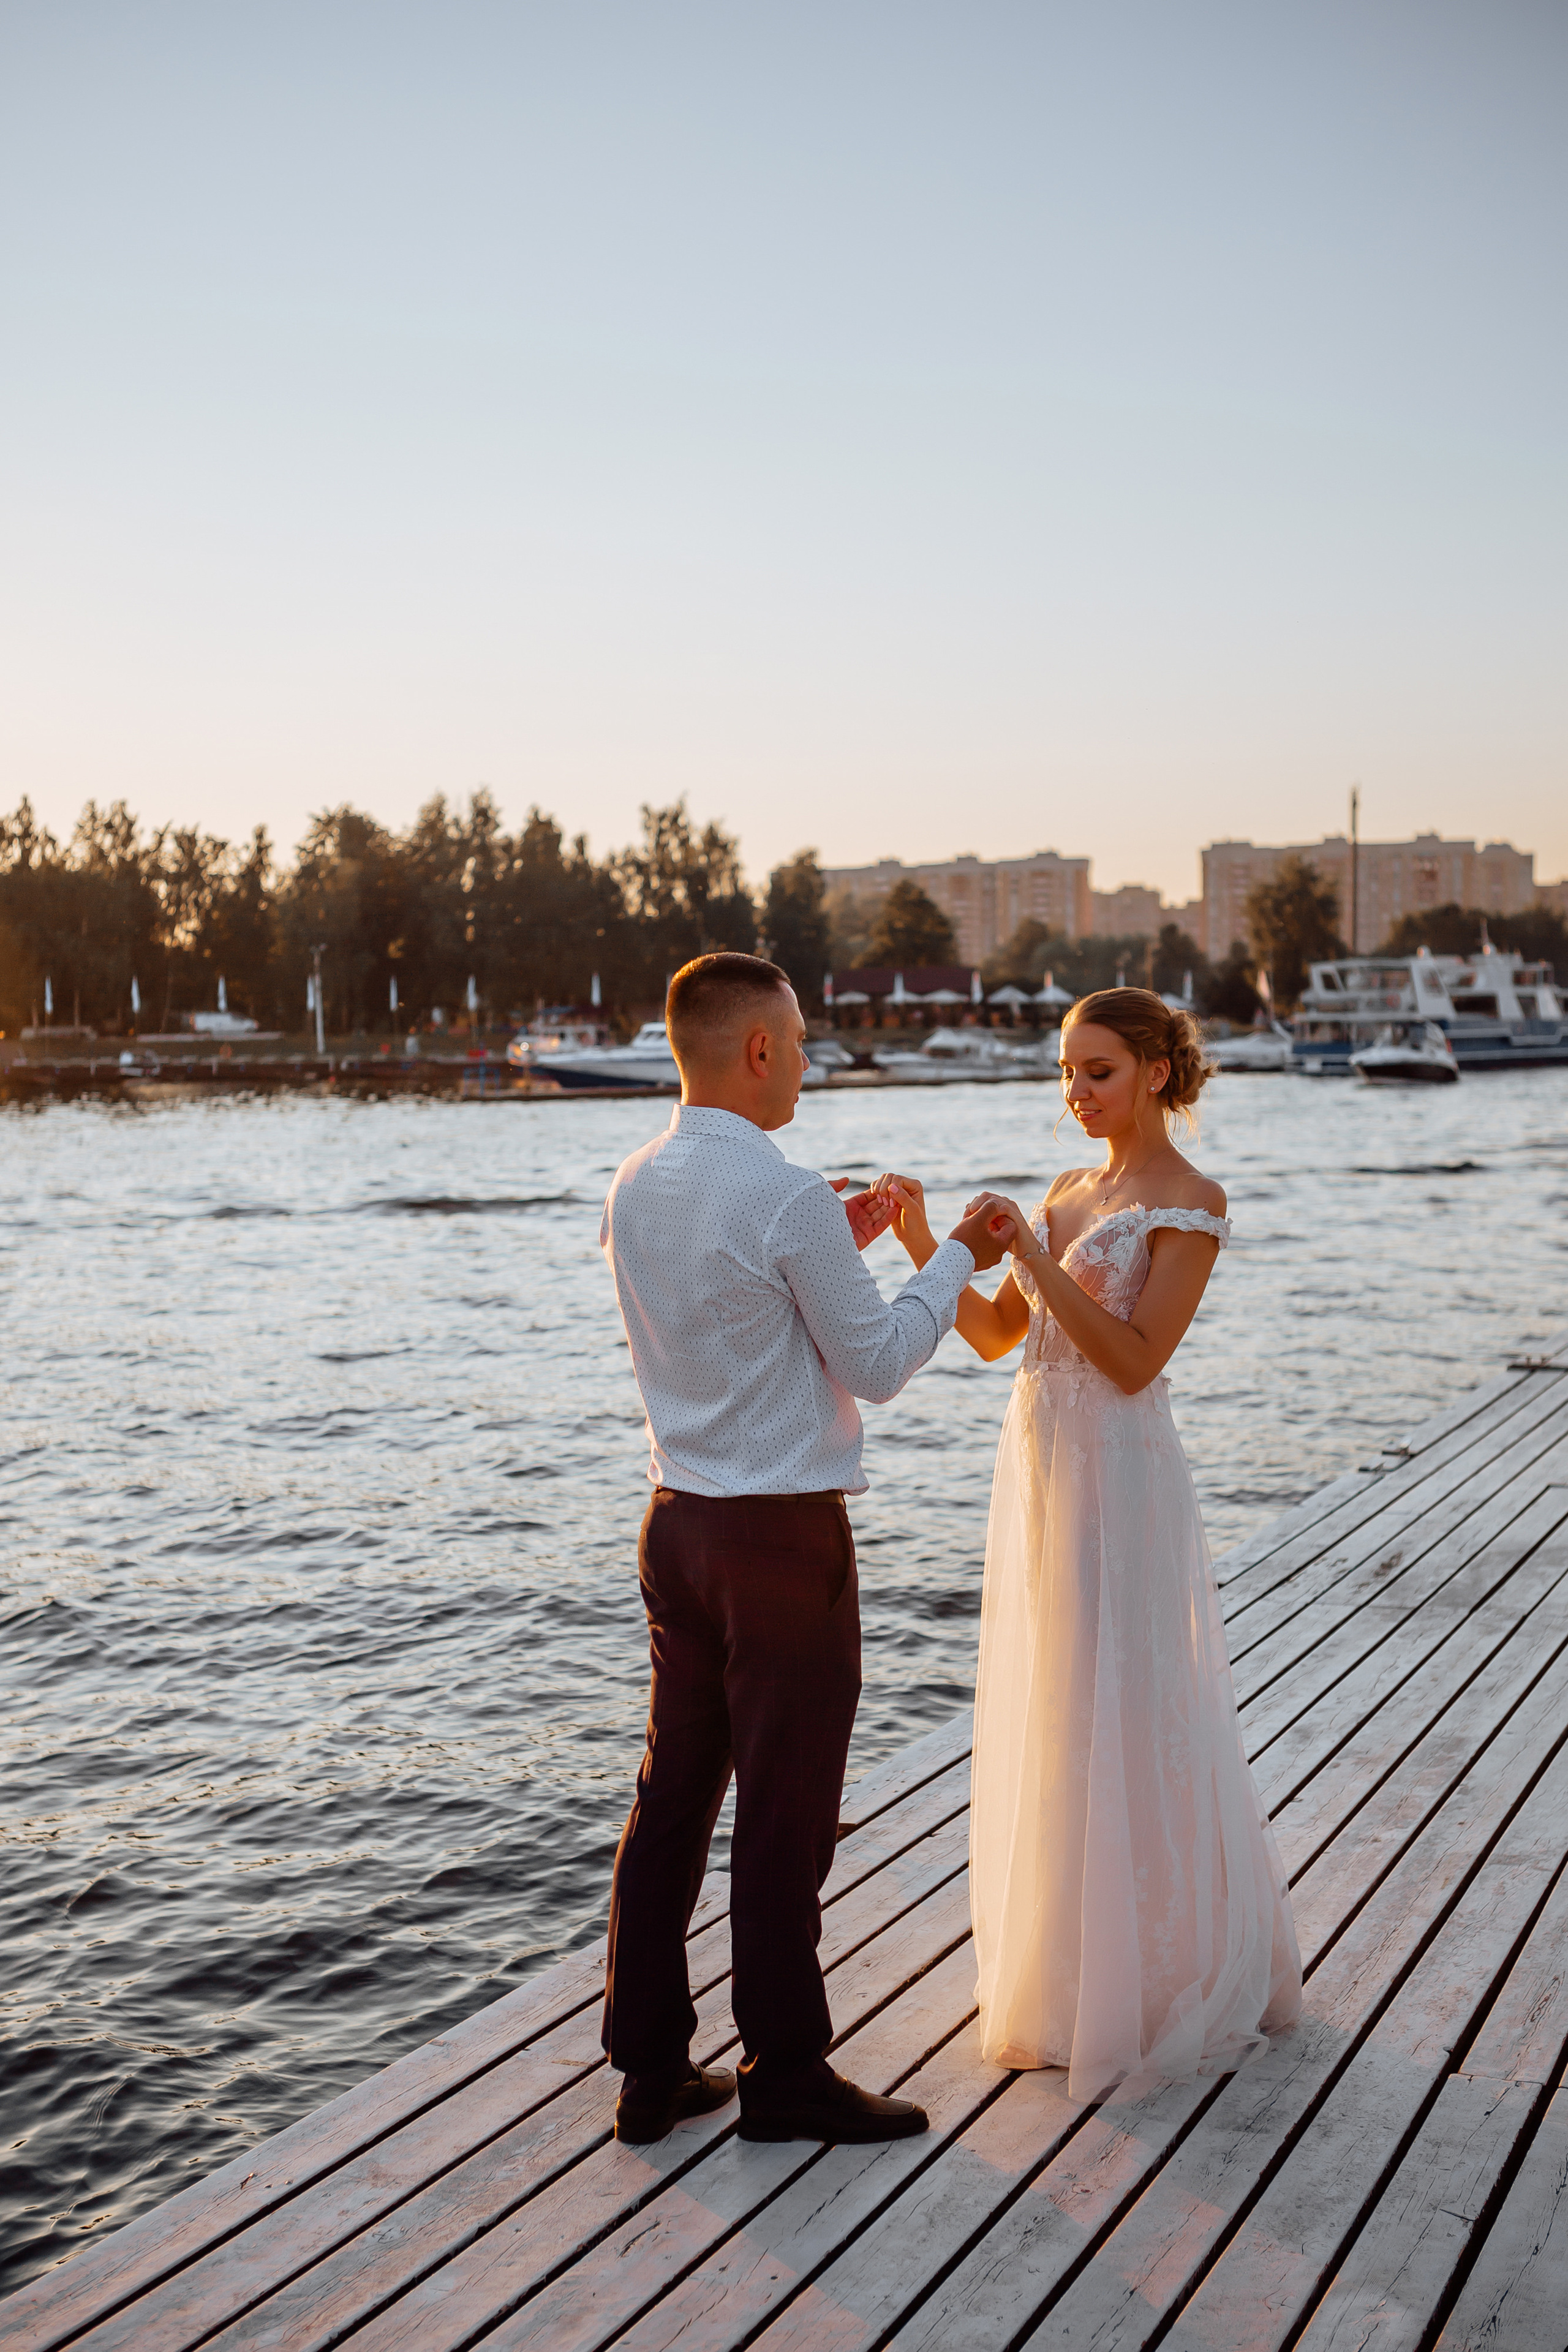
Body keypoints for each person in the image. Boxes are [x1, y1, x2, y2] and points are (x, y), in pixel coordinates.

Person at [598, 951, 1015, 2146]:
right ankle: (784, 2073)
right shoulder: (777, 1191)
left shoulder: (634, 1181)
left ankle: (648, 2070)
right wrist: (950, 1261)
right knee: (784, 1814)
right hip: (779, 1543)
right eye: (802, 1039)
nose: (811, 1061)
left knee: (670, 1797)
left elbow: (722, 1305)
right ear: (760, 1049)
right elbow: (877, 1365)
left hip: (676, 1527)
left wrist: (834, 1235)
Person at [875, 987, 1301, 2101]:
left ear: (1157, 1072)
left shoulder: (1188, 1201)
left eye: (1097, 1071)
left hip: (1120, 1471)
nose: (1075, 1093)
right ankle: (1072, 1971)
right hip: (1043, 1469)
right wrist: (932, 1241)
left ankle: (1160, 1975)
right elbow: (997, 1338)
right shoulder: (1068, 1193)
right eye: (1066, 1072)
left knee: (1134, 1698)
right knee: (1059, 1699)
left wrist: (1039, 1253)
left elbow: (1132, 1360)